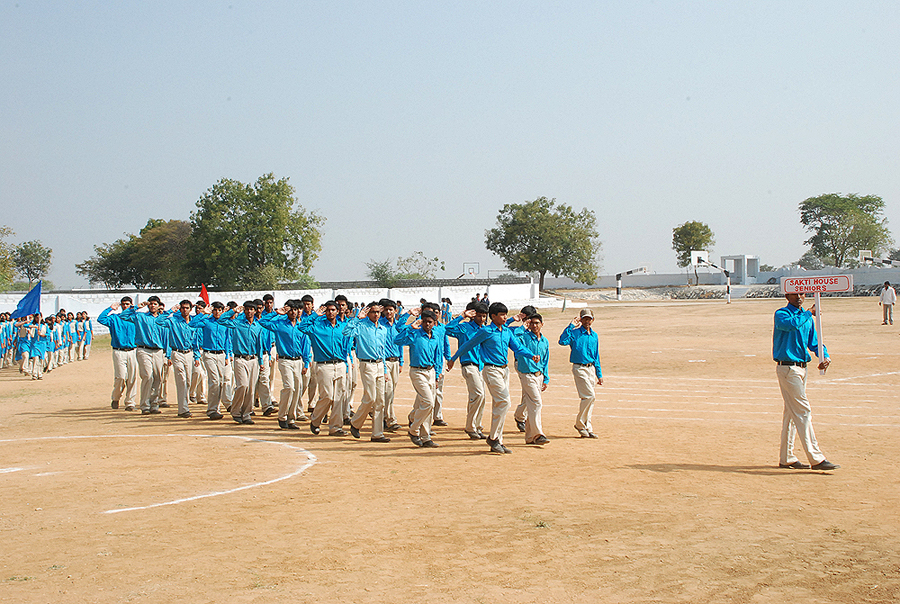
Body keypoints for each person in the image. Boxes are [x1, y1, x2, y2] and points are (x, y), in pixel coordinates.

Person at [450, 302, 539, 454]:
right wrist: (453, 358)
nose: (505, 317)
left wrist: (531, 355)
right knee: (504, 401)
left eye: (506, 314)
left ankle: (497, 439)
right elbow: (468, 345)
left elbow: (517, 347)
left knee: (500, 405)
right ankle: (493, 438)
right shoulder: (486, 331)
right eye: (502, 315)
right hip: (491, 370)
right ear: (493, 317)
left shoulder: (506, 331)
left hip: (504, 371)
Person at [773, 292, 839, 471]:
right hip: (788, 368)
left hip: (802, 367)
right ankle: (816, 457)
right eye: (795, 294)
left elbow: (815, 343)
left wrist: (824, 357)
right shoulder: (782, 314)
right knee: (803, 410)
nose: (799, 297)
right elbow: (789, 325)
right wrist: (809, 313)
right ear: (787, 296)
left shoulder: (806, 318)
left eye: (801, 294)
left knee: (791, 414)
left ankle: (786, 457)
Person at [298, 301, 350, 436]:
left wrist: (346, 364)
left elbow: (347, 342)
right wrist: (315, 315)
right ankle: (315, 420)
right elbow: (302, 326)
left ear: (338, 311)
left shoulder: (342, 327)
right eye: (328, 310)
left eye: (333, 310)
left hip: (340, 364)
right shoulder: (317, 326)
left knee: (339, 397)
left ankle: (335, 427)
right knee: (327, 396)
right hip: (324, 365)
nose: (330, 312)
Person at [259, 300, 312, 429]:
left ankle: (291, 418)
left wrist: (306, 362)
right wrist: (275, 313)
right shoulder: (280, 324)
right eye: (291, 309)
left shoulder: (301, 326)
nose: (294, 312)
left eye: (296, 309)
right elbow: (262, 322)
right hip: (285, 360)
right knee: (289, 387)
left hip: (298, 361)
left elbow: (306, 345)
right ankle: (282, 416)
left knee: (297, 389)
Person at [394, 309, 443, 448]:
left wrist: (437, 374)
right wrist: (410, 327)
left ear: (434, 323)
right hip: (417, 371)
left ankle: (426, 437)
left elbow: (438, 356)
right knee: (428, 402)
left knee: (428, 405)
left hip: (431, 371)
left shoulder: (435, 337)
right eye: (425, 322)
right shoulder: (415, 334)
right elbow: (397, 340)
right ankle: (414, 429)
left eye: (430, 322)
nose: (427, 324)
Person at [344, 302, 392, 442]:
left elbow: (382, 351)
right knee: (370, 397)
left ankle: (377, 433)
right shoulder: (361, 326)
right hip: (367, 364)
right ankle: (356, 422)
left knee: (380, 400)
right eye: (373, 312)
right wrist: (357, 318)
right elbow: (346, 332)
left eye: (378, 312)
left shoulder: (383, 329)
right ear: (368, 313)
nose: (376, 314)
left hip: (379, 364)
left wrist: (384, 369)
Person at [216, 302, 268, 424]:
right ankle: (235, 411)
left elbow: (259, 345)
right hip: (240, 358)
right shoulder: (237, 324)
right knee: (242, 385)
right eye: (247, 309)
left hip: (253, 359)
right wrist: (233, 311)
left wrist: (261, 361)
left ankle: (246, 413)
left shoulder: (258, 327)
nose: (249, 312)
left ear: (255, 311)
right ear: (244, 311)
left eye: (252, 309)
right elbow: (221, 320)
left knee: (250, 388)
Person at [558, 309, 603, 438]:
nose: (587, 321)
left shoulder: (594, 336)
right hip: (579, 368)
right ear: (581, 319)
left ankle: (587, 426)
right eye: (584, 319)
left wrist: (598, 374)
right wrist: (571, 325)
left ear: (593, 320)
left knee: (590, 399)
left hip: (590, 369)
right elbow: (562, 341)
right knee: (589, 396)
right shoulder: (574, 333)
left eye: (589, 319)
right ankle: (580, 424)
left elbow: (596, 355)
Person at [445, 301, 488, 439]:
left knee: (480, 397)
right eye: (479, 316)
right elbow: (447, 329)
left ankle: (477, 425)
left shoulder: (484, 329)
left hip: (480, 366)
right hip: (468, 365)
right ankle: (470, 427)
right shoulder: (464, 328)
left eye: (484, 316)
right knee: (479, 394)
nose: (482, 319)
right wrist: (462, 316)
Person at [156, 300, 200, 418]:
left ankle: (185, 404)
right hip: (177, 353)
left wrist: (197, 355)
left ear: (191, 309)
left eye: (187, 308)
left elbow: (195, 339)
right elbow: (158, 321)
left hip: (189, 353)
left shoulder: (193, 322)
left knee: (188, 381)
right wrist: (170, 311)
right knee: (181, 380)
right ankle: (183, 409)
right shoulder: (173, 321)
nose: (184, 310)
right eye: (182, 308)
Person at [513, 314, 550, 445]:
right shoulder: (524, 337)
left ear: (542, 324)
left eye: (537, 323)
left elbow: (545, 360)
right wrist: (523, 327)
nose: (534, 326)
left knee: (531, 405)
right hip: (527, 375)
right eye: (532, 323)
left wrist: (546, 378)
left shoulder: (545, 341)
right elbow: (514, 338)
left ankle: (529, 437)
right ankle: (538, 434)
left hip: (539, 376)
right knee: (537, 402)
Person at [98, 297, 138, 411]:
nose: (125, 306)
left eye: (127, 304)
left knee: (132, 378)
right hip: (119, 351)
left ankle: (130, 402)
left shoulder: (134, 318)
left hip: (132, 350)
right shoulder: (115, 318)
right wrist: (110, 308)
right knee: (120, 377)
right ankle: (116, 397)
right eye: (123, 304)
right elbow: (101, 319)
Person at [378, 299, 405, 432]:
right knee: (387, 391)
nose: (389, 312)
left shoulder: (397, 326)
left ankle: (383, 416)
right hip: (385, 361)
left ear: (395, 310)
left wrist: (401, 362)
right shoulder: (380, 325)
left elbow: (400, 343)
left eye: (391, 309)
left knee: (391, 391)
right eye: (386, 309)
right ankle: (389, 419)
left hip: (395, 361)